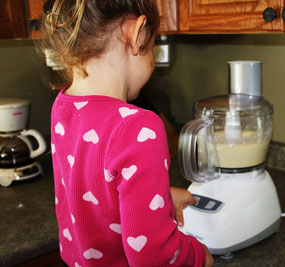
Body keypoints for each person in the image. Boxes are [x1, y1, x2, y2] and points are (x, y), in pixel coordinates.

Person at [42, 0, 214, 266]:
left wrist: (162, 196)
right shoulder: (139, 126)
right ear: (134, 33)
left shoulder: (62, 106)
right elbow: (155, 256)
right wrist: (199, 256)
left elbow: (94, 189)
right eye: (152, 46)